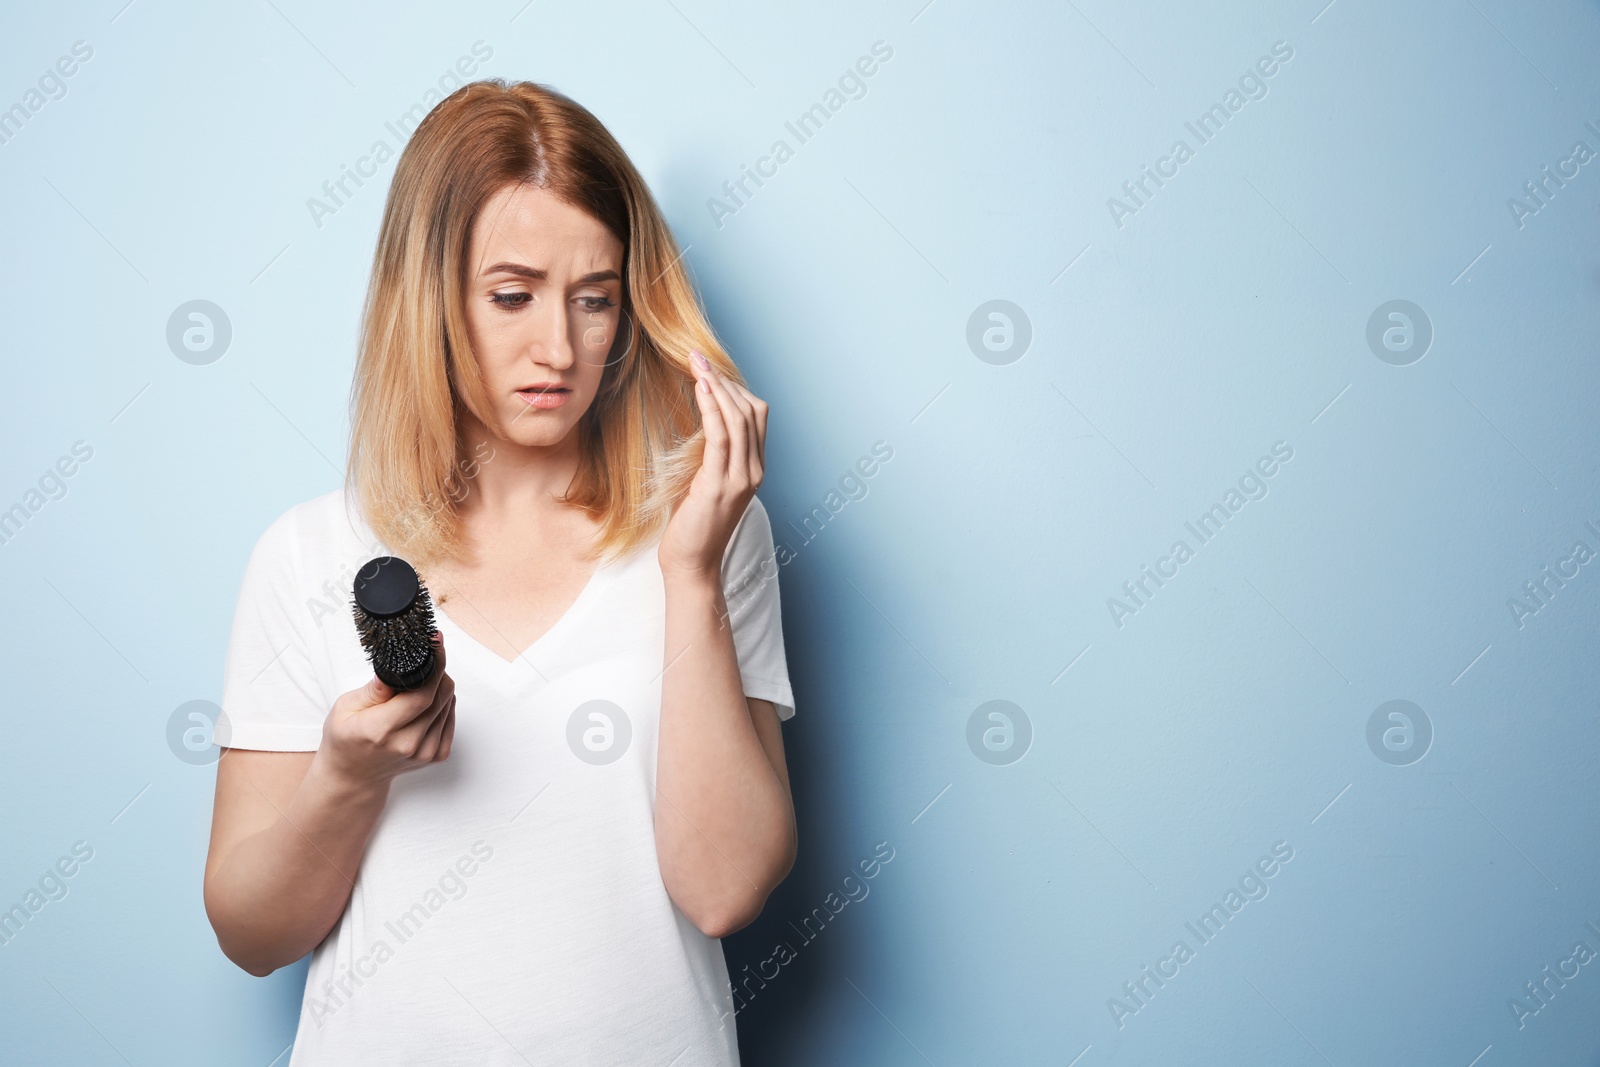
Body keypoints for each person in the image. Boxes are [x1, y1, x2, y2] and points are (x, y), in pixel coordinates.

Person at [202, 78, 797, 1066]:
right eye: (512, 295)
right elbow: (252, 933)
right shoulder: (306, 553)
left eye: (595, 300)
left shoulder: (714, 530)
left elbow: (723, 888)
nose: (559, 347)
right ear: (430, 298)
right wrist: (348, 779)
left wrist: (691, 576)